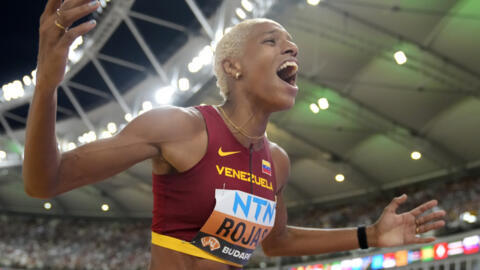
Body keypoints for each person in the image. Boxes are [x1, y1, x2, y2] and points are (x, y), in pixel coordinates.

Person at [23, 0, 446, 269]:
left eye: (293, 44)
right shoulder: (179, 127)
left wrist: (368, 236)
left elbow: (277, 243)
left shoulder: (276, 160)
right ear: (233, 67)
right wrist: (47, 86)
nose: (292, 48)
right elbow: (45, 181)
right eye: (271, 40)